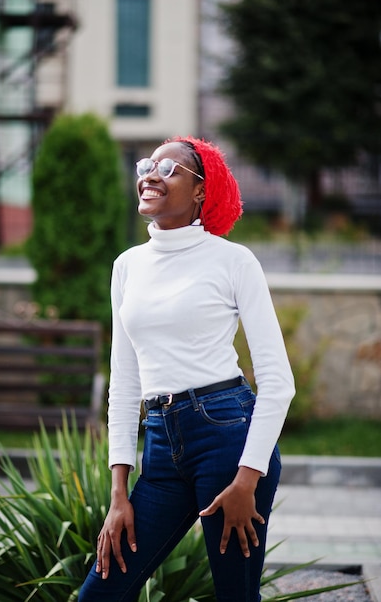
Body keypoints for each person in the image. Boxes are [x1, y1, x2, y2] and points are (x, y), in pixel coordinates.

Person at [79, 136, 295, 602]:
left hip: (226, 439)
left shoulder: (233, 261)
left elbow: (279, 381)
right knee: (99, 594)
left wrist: (247, 478)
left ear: (201, 191)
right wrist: (119, 493)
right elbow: (124, 383)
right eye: (148, 165)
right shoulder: (128, 266)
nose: (151, 175)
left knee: (236, 597)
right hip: (160, 448)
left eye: (170, 169)